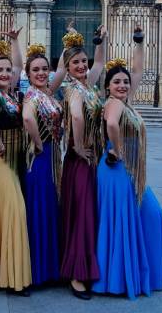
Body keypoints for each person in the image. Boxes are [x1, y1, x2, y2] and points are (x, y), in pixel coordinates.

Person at [93, 32, 162, 297]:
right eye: (116, 81)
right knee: (130, 220)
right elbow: (111, 124)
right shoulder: (114, 104)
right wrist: (116, 149)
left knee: (146, 215)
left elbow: (138, 70)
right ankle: (119, 278)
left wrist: (139, 43)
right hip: (116, 170)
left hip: (128, 172)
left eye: (125, 81)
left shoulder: (126, 100)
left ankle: (134, 274)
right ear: (107, 86)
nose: (122, 85)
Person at [0, 32, 33, 296]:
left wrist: (14, 43)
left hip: (14, 161)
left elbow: (20, 66)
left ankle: (5, 273)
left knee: (6, 213)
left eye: (7, 70)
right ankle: (13, 277)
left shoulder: (12, 95)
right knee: (15, 210)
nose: (5, 73)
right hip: (0, 161)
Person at [59, 22, 107, 300]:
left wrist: (100, 41)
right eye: (76, 62)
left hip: (92, 158)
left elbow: (100, 63)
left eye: (83, 61)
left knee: (87, 214)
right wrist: (77, 146)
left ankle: (83, 268)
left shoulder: (87, 85)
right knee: (83, 216)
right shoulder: (73, 90)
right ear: (66, 66)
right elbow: (76, 117)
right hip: (81, 160)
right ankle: (77, 274)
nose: (82, 65)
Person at [21, 43, 66, 287]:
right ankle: (38, 271)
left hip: (51, 157)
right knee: (40, 211)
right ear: (27, 74)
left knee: (49, 210)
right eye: (36, 69)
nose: (41, 73)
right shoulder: (31, 95)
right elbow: (27, 117)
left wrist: (70, 44)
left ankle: (49, 268)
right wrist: (38, 143)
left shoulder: (47, 92)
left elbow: (61, 69)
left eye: (44, 69)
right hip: (40, 158)